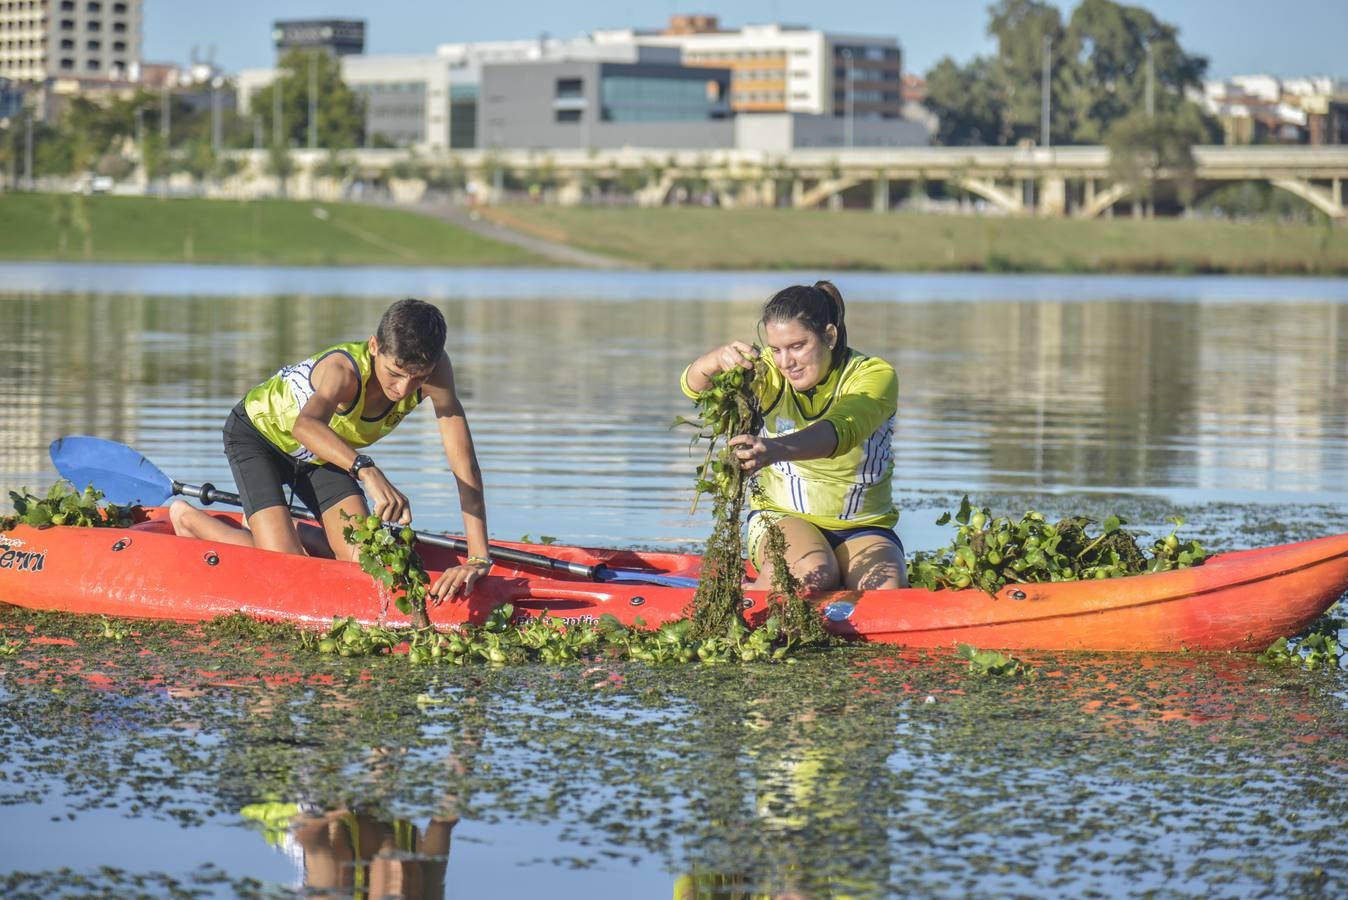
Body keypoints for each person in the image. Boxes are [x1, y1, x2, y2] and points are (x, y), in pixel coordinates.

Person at [170, 297, 491, 602]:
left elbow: (464, 465)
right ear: (375, 347)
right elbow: (305, 427)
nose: (404, 389)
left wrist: (478, 557)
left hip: (322, 453)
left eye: (417, 378)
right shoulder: (343, 372)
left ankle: (285, 526)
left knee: (365, 562)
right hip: (259, 437)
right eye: (394, 373)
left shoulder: (437, 373)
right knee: (287, 565)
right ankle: (189, 519)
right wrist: (367, 470)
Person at [681, 280, 906, 591]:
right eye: (776, 349)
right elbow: (695, 388)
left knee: (885, 594)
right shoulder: (768, 372)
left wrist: (775, 449)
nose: (786, 362)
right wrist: (716, 359)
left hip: (863, 527)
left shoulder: (874, 375)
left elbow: (841, 431)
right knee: (813, 574)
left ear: (829, 336)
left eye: (798, 346)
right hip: (782, 517)